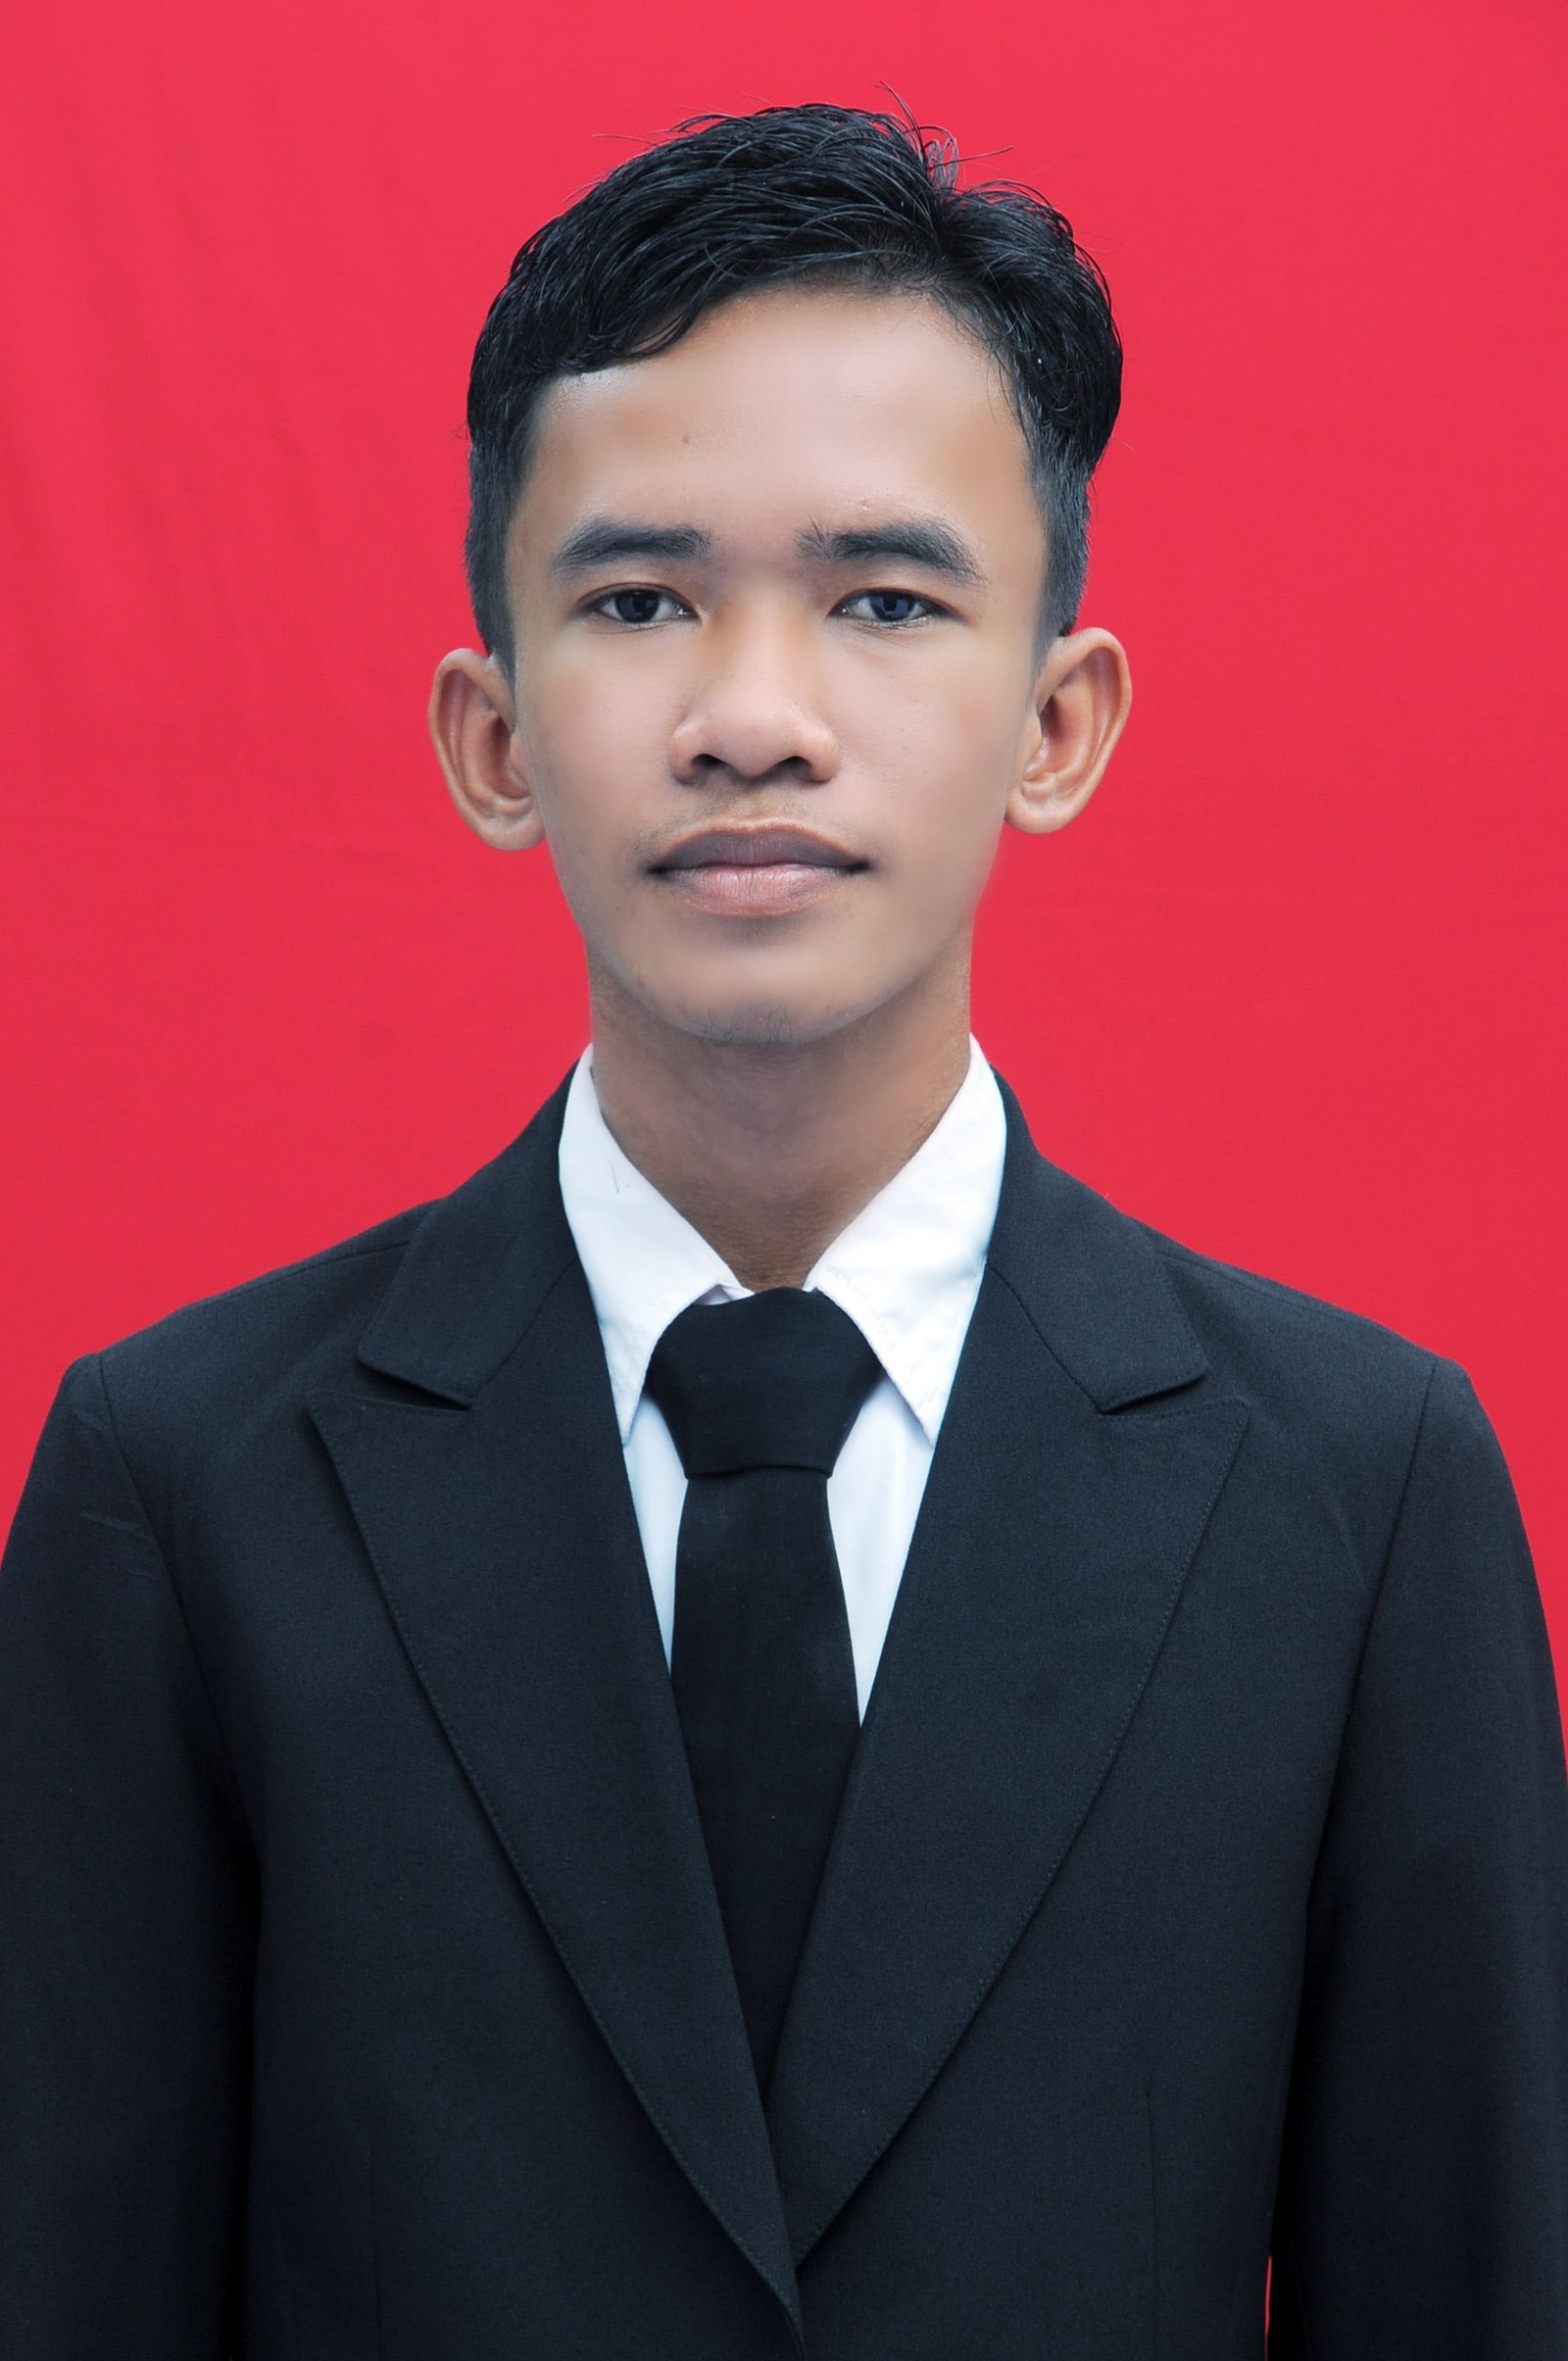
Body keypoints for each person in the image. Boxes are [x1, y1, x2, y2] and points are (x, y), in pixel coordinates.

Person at [2, 97, 1564, 2361]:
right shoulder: (181, 1484)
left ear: (1054, 717)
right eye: (635, 600)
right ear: (492, 731)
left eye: (883, 601)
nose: (751, 715)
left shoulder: (1356, 1492)